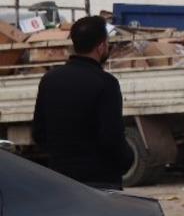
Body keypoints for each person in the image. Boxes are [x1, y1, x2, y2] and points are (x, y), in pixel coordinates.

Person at [32, 16, 132, 190]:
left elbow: (39, 133)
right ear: (101, 47)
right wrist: (127, 160)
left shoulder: (50, 80)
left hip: (61, 181)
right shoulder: (106, 83)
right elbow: (111, 137)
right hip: (100, 183)